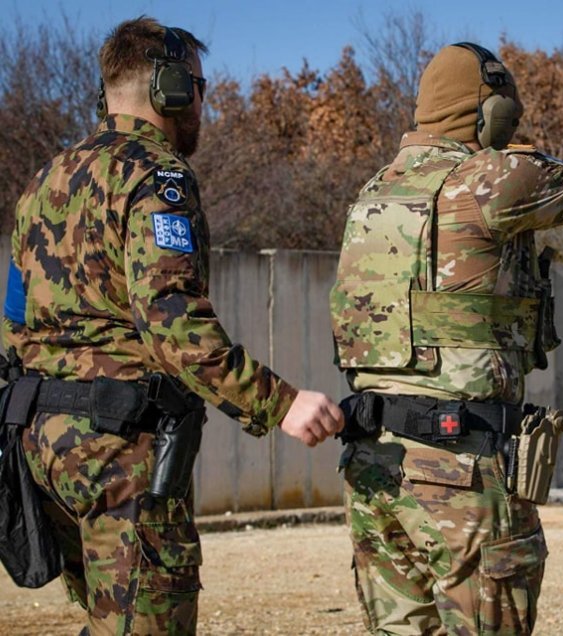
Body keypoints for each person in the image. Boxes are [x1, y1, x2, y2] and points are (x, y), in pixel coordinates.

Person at [1, 16, 343, 634]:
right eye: (201, 87)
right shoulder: (156, 176)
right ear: (171, 89)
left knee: (111, 620)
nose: (204, 104)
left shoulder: (42, 182)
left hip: (42, 447)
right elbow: (174, 327)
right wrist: (282, 404)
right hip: (119, 450)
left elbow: (13, 322)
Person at [330, 42, 563, 634]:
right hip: (459, 468)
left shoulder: (375, 191)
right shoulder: (489, 176)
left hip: (372, 465)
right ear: (490, 112)